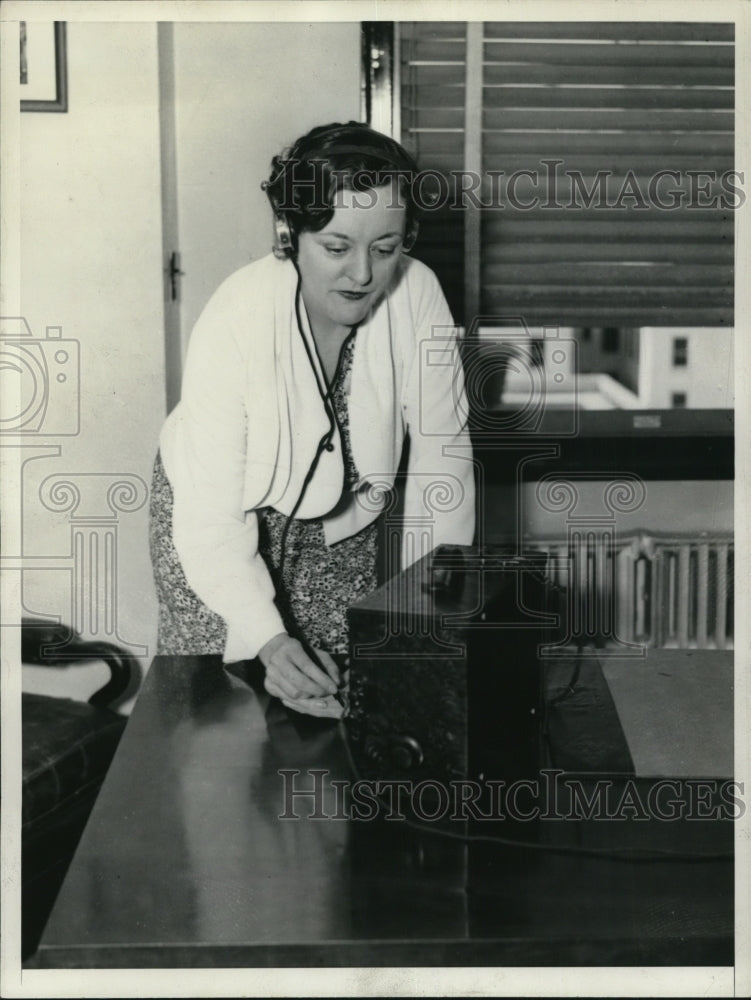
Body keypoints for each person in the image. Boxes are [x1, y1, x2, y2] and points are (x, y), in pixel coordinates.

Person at [149, 121, 475, 718]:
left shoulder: (419, 293)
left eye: (385, 248)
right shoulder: (234, 318)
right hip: (217, 507)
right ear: (287, 235)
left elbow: (443, 464)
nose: (363, 275)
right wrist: (269, 642)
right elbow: (211, 525)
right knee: (221, 707)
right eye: (336, 247)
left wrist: (428, 615)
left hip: (344, 508)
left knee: (333, 691)